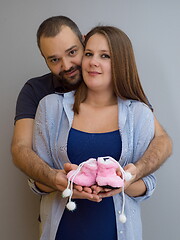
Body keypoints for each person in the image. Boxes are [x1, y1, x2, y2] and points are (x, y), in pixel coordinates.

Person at [11, 16, 172, 197]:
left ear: (85, 41)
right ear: (44, 59)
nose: (66, 66)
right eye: (54, 60)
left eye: (72, 52)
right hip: (60, 212)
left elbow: (162, 140)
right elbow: (20, 148)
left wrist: (133, 174)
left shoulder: (111, 87)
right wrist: (52, 178)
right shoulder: (39, 93)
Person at [30, 25, 156, 240]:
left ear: (120, 63)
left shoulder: (140, 114)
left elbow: (149, 184)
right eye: (88, 53)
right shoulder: (51, 107)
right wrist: (59, 180)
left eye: (104, 55)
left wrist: (122, 183)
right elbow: (36, 181)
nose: (92, 62)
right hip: (62, 232)